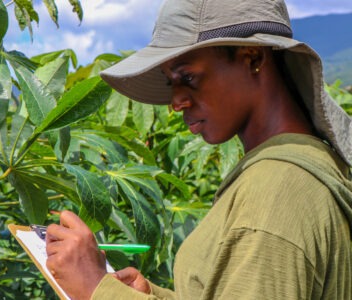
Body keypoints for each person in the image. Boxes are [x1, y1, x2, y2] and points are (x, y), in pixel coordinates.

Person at [45, 0, 352, 299]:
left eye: (188, 77)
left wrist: (97, 289)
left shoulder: (275, 189)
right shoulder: (292, 169)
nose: (176, 101)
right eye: (171, 84)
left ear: (253, 57)